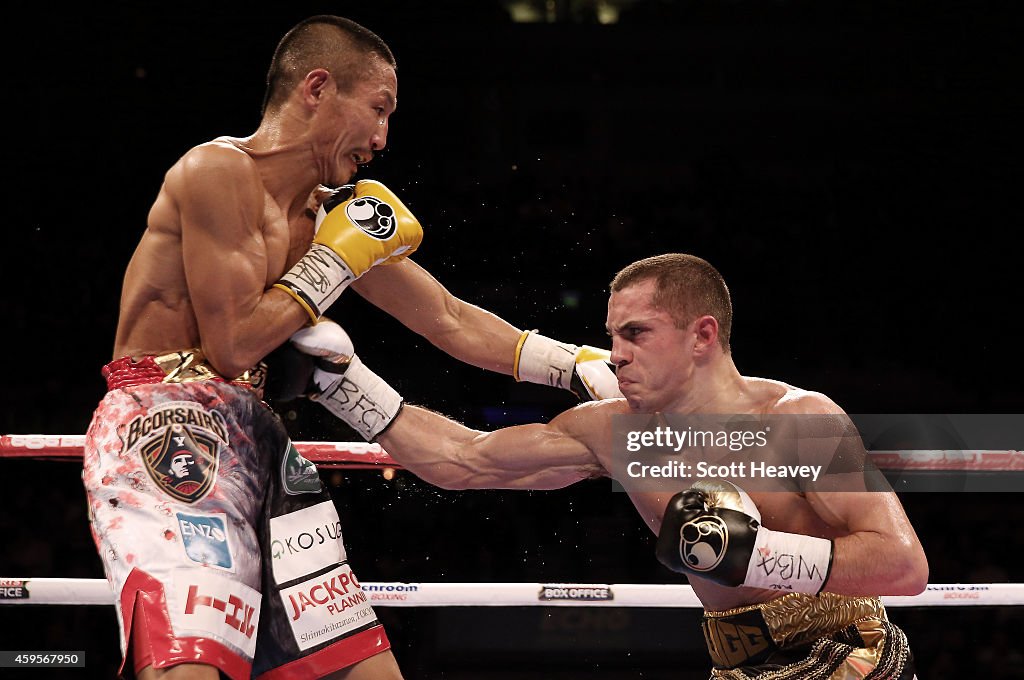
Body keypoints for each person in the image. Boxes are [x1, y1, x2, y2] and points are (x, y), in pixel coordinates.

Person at [82, 14, 618, 680]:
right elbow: (231, 344)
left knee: (362, 670)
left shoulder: (328, 215)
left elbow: (446, 319)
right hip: (165, 426)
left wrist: (571, 363)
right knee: (189, 668)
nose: (382, 138)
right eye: (377, 109)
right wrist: (335, 258)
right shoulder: (216, 172)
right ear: (316, 88)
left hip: (259, 437)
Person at [295, 253, 929, 679]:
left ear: (702, 336)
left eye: (637, 334)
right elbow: (464, 461)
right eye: (613, 336)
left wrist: (758, 557)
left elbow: (904, 565)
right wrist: (345, 385)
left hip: (846, 656)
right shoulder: (612, 431)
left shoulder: (798, 420)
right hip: (736, 665)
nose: (616, 355)